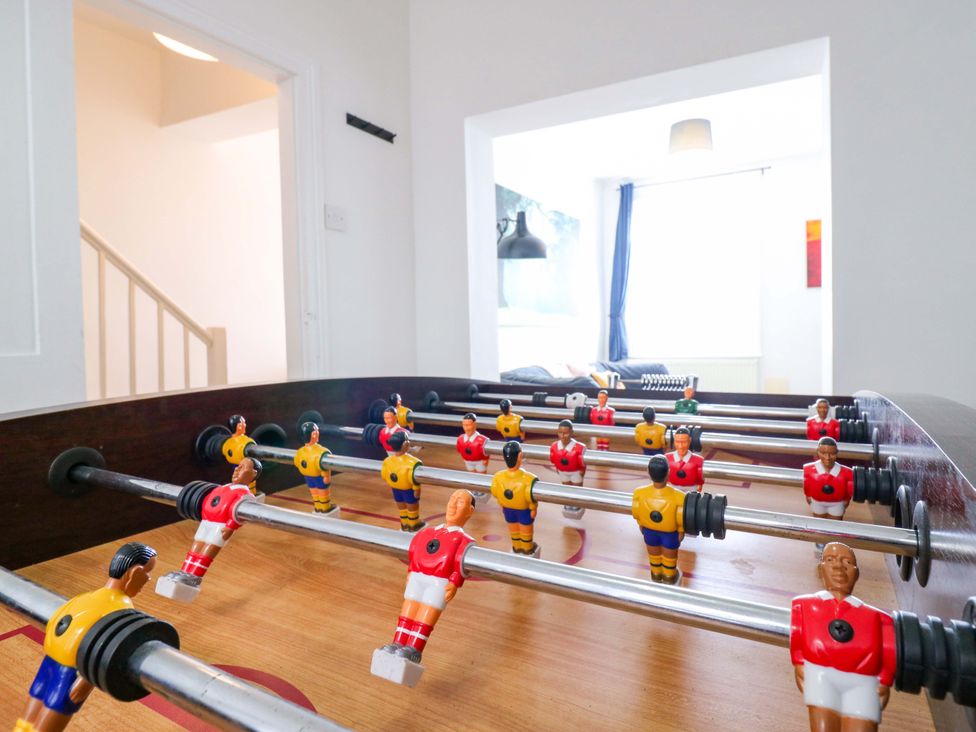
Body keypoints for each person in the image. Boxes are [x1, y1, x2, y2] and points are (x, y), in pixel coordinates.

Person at [17, 542, 157, 732]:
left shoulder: (85, 596)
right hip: (72, 671)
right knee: (51, 716)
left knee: (28, 718)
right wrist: (86, 681)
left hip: (49, 661)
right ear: (135, 573)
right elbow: (104, 646)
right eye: (147, 573)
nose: (148, 579)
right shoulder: (122, 608)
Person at [371, 489, 476, 686]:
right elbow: (415, 549)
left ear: (469, 511)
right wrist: (411, 570)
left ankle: (414, 649)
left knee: (425, 614)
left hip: (438, 581)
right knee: (407, 613)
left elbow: (459, 561)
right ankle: (397, 642)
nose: (453, 505)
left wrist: (454, 582)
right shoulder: (427, 532)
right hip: (418, 576)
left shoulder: (464, 540)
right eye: (452, 499)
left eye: (460, 502)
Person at [790, 543, 895, 732]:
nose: (839, 567)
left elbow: (889, 648)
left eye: (847, 562)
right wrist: (799, 662)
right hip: (821, 673)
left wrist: (885, 679)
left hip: (863, 681)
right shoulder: (804, 605)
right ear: (820, 569)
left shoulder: (878, 617)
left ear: (856, 573)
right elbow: (796, 635)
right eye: (830, 560)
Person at [155, 458, 260, 603]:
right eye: (237, 466)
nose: (237, 469)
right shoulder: (226, 487)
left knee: (207, 550)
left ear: (253, 474)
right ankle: (184, 572)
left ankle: (194, 577)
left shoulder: (245, 494)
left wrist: (230, 526)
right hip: (207, 521)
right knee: (195, 548)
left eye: (242, 467)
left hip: (220, 526)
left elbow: (238, 512)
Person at [631, 455, 685, 584]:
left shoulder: (639, 492)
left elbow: (636, 512)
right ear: (668, 472)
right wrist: (681, 531)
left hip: (649, 532)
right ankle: (669, 577)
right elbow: (681, 518)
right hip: (670, 534)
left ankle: (656, 575)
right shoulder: (680, 496)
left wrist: (641, 526)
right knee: (669, 558)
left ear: (648, 473)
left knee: (654, 556)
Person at [490, 441, 540, 556]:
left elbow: (496, 493)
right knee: (525, 531)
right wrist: (533, 508)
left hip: (508, 510)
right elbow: (531, 497)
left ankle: (517, 547)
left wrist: (502, 505)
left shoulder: (498, 477)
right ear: (520, 456)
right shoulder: (529, 479)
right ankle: (527, 549)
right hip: (524, 511)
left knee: (514, 530)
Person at [381, 431, 425, 532]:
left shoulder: (387, 461)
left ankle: (404, 524)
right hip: (408, 490)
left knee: (402, 508)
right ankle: (413, 524)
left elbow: (384, 475)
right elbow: (414, 479)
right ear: (406, 444)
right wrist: (417, 490)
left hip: (395, 489)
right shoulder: (414, 462)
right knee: (412, 507)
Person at [803, 437, 854, 520]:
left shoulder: (847, 472)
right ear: (818, 452)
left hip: (837, 503)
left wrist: (845, 501)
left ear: (837, 453)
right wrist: (808, 497)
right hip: (817, 502)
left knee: (835, 523)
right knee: (819, 522)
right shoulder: (808, 469)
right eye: (823, 453)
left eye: (832, 454)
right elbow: (807, 487)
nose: (827, 457)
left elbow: (848, 493)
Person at [294, 421, 337, 515]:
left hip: (308, 477)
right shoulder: (321, 451)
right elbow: (325, 466)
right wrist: (326, 477)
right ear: (314, 434)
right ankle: (325, 508)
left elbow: (297, 463)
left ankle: (317, 508)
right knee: (323, 494)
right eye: (317, 431)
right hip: (319, 477)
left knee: (314, 493)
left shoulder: (300, 451)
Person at [549, 419, 587, 519]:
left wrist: (582, 472)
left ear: (571, 433)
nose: (563, 436)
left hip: (575, 472)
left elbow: (583, 464)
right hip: (562, 471)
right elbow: (553, 460)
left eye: (565, 433)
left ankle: (577, 504)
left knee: (576, 489)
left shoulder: (579, 447)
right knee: (566, 488)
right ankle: (569, 502)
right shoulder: (554, 446)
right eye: (560, 433)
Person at [455, 413, 490, 504]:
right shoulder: (460, 439)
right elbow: (459, 449)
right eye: (464, 425)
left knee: (481, 475)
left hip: (479, 461)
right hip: (468, 461)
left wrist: (485, 459)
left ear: (474, 424)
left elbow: (486, 452)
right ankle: (475, 488)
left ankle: (482, 489)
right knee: (472, 474)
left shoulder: (482, 440)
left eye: (468, 425)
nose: (466, 428)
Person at [221, 414, 258, 494]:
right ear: (239, 426)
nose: (245, 425)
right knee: (246, 483)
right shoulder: (240, 442)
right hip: (245, 470)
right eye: (243, 423)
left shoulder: (232, 442)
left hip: (245, 470)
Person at [666, 427, 704, 493]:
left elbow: (700, 479)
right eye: (677, 442)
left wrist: (699, 485)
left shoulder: (699, 460)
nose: (680, 446)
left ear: (690, 440)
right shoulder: (667, 458)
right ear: (674, 441)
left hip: (691, 490)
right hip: (672, 488)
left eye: (684, 442)